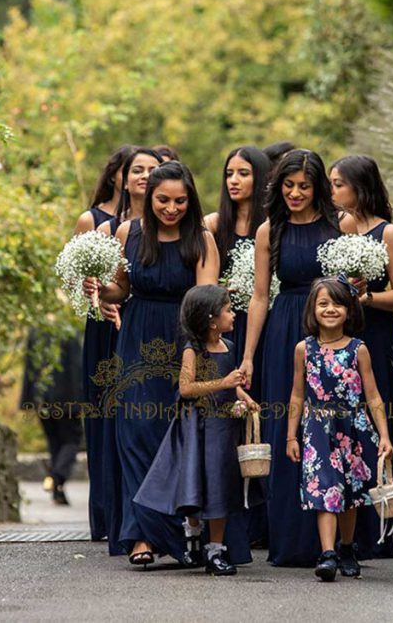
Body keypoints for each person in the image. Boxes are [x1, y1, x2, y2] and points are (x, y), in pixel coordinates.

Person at [87, 161, 219, 566]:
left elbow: (207, 301)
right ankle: (140, 535)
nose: (171, 208)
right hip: (136, 338)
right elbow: (120, 289)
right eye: (163, 200)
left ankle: (182, 533)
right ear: (149, 197)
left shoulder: (202, 239)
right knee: (135, 433)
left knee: (175, 435)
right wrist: (97, 286)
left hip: (184, 341)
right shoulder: (128, 233)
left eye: (180, 201)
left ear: (191, 200)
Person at [239, 148, 342, 566]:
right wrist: (248, 356)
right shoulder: (270, 230)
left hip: (328, 331)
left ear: (318, 188)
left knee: (332, 428)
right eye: (288, 185)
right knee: (287, 427)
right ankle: (290, 540)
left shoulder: (339, 225)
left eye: (304, 186)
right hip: (283, 331)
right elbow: (260, 295)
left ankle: (334, 543)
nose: (295, 193)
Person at [134, 285, 260, 575]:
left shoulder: (228, 347)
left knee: (220, 484)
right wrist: (223, 383)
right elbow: (186, 388)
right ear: (211, 319)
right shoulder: (194, 350)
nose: (233, 315)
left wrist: (245, 398)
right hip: (199, 427)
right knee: (196, 480)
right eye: (228, 310)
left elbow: (233, 385)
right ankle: (193, 538)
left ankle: (215, 550)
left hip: (224, 428)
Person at [329, 155, 393, 558]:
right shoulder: (340, 228)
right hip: (341, 337)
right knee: (343, 428)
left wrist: (368, 298)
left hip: (377, 336)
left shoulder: (388, 233)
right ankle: (343, 531)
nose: (332, 191)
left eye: (338, 184)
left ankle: (379, 532)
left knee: (377, 423)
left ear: (359, 187)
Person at [285, 277, 393, 581]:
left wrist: (384, 435)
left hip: (353, 429)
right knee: (325, 488)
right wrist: (291, 435)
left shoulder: (358, 349)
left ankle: (346, 547)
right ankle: (327, 554)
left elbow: (373, 395)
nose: (330, 309)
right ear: (312, 309)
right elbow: (297, 394)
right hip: (317, 430)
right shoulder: (303, 349)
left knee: (349, 491)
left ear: (349, 310)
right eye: (323, 304)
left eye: (337, 304)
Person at [204, 145, 272, 548]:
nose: (234, 180)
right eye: (229, 173)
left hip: (265, 326)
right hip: (225, 329)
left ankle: (266, 520)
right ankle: (229, 523)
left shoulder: (271, 226)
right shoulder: (213, 225)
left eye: (243, 173)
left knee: (263, 416)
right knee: (228, 418)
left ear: (260, 178)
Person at [73, 145, 135, 541]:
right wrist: (99, 301)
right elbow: (76, 282)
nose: (141, 178)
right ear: (115, 175)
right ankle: (104, 512)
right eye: (132, 170)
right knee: (101, 414)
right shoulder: (91, 220)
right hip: (102, 327)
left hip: (136, 322)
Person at [20, 330, 86, 506]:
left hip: (42, 399)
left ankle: (58, 491)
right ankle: (56, 477)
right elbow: (77, 368)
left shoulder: (36, 333)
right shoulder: (68, 332)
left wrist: (28, 399)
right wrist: (81, 400)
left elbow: (30, 368)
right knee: (72, 441)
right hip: (67, 399)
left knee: (55, 444)